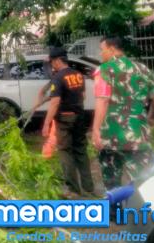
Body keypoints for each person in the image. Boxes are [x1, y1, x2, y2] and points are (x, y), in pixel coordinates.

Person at [91, 36, 154, 189]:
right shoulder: (142, 69)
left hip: (111, 135)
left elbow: (102, 100)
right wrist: (151, 118)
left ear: (111, 49)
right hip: (138, 134)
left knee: (112, 182)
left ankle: (115, 212)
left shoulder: (103, 70)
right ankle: (143, 211)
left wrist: (96, 130)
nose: (100, 54)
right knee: (144, 182)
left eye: (102, 50)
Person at [41, 47, 94, 198]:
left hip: (64, 119)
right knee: (80, 150)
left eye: (52, 62)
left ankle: (73, 189)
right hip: (80, 116)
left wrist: (46, 123)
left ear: (57, 60)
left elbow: (55, 103)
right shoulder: (78, 75)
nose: (51, 65)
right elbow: (82, 96)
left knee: (65, 152)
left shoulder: (58, 78)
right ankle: (89, 187)